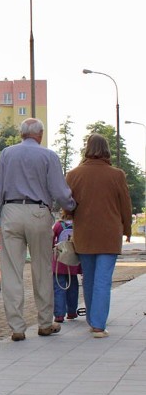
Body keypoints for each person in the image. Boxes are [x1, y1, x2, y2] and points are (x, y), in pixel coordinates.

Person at [0, 118, 77, 341]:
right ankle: (45, 323)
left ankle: (17, 328)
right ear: (40, 135)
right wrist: (71, 207)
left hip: (11, 212)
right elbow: (59, 190)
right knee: (42, 270)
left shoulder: (6, 154)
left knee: (12, 272)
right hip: (38, 212)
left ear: (21, 134)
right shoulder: (49, 156)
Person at [65, 133, 133, 338]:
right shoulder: (117, 175)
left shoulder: (74, 174)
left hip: (84, 234)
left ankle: (92, 319)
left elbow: (68, 206)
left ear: (87, 148)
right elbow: (125, 206)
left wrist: (69, 215)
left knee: (89, 278)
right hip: (109, 235)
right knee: (103, 280)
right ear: (107, 150)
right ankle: (98, 325)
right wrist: (127, 230)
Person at [52, 218, 81, 323]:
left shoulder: (58, 225)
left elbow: (51, 239)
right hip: (73, 261)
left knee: (58, 288)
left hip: (59, 261)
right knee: (73, 287)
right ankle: (72, 312)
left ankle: (59, 314)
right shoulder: (78, 223)